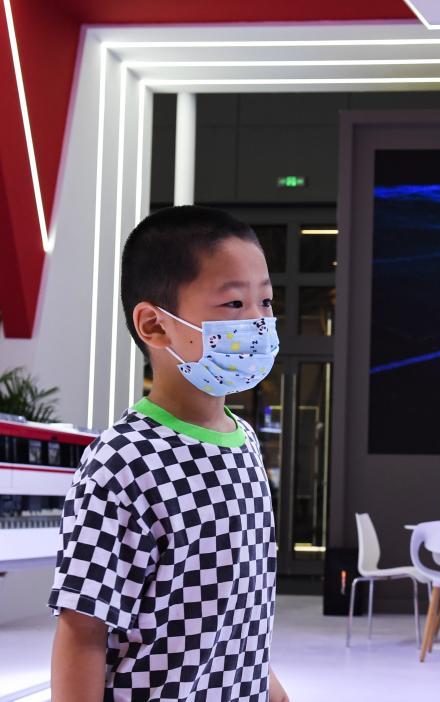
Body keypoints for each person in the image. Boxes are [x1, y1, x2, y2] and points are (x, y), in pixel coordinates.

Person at [49, 206, 289, 702]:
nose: (259, 321)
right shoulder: (123, 461)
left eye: (265, 301)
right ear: (155, 326)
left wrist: (268, 686)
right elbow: (84, 630)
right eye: (234, 303)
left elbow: (232, 607)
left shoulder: (245, 442)